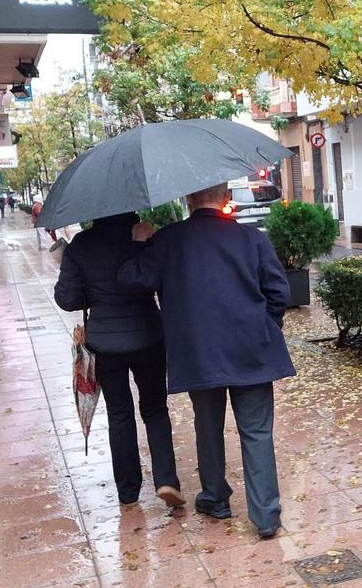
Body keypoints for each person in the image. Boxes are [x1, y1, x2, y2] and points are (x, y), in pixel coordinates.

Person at [118, 184, 293, 539]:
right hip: (252, 349)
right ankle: (265, 517)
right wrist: (263, 327)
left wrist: (139, 242)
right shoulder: (252, 238)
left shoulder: (168, 240)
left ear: (188, 199)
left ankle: (216, 497)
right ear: (227, 196)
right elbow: (279, 292)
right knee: (257, 432)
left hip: (199, 352)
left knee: (207, 425)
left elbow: (132, 279)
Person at [54, 213, 183, 508]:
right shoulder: (144, 236)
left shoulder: (81, 245)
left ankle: (128, 491)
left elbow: (67, 300)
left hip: (105, 343)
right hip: (148, 336)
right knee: (154, 409)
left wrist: (85, 281)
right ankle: (166, 480)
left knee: (119, 414)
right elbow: (158, 278)